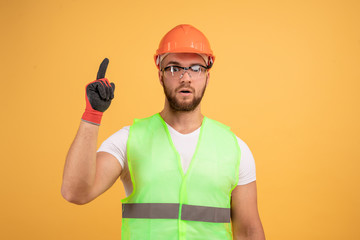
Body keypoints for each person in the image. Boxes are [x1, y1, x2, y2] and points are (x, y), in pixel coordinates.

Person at [61, 24, 265, 240]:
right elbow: (76, 192)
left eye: (195, 68)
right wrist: (92, 114)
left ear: (207, 76)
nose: (185, 78)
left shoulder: (235, 149)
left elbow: (249, 232)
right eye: (174, 68)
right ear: (160, 75)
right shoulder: (129, 140)